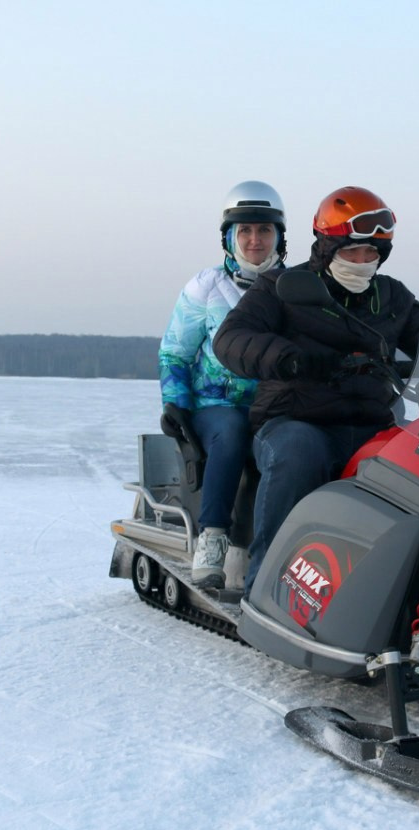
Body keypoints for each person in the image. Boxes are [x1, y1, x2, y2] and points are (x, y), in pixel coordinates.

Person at [213, 186, 419, 591]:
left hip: (372, 425)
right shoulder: (282, 286)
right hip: (294, 418)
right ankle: (266, 584)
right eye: (352, 251)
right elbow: (231, 338)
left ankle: (417, 589)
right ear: (328, 246)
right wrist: (289, 358)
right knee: (299, 453)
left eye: (372, 253)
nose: (362, 262)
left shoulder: (392, 296)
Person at [158, 180, 287, 590]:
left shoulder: (296, 289)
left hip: (276, 404)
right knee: (231, 434)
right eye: (245, 231)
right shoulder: (206, 287)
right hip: (217, 404)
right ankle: (213, 537)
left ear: (279, 237)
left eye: (264, 230)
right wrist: (175, 403)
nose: (255, 240)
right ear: (228, 237)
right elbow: (175, 353)